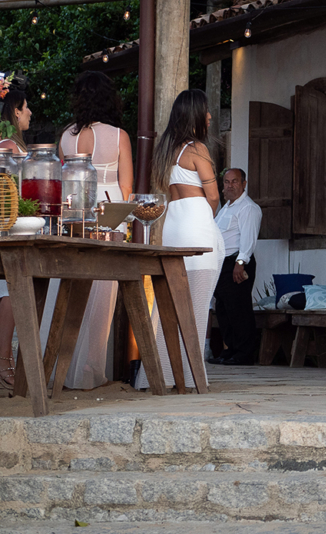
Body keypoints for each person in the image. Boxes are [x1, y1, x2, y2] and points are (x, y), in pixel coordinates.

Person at [40, 73, 134, 390]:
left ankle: (57, 367)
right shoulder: (118, 135)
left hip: (75, 214)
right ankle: (90, 371)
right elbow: (127, 187)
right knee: (102, 296)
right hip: (109, 214)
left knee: (67, 290)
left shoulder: (66, 137)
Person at [136, 90, 225, 391]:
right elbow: (213, 197)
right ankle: (189, 378)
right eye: (206, 111)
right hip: (197, 224)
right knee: (197, 306)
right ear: (195, 115)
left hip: (173, 224)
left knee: (168, 307)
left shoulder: (166, 150)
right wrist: (205, 214)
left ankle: (158, 375)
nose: (210, 116)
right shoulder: (198, 149)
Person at [210, 168, 263, 366]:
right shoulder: (226, 208)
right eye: (227, 182)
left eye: (234, 181)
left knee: (239, 309)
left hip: (238, 263)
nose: (230, 185)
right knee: (224, 309)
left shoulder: (248, 208)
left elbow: (249, 238)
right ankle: (230, 350)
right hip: (222, 264)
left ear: (244, 184)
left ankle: (244, 354)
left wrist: (240, 263)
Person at [0, 87, 29, 390]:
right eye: (27, 107)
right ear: (17, 111)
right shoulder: (8, 145)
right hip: (11, 222)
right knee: (10, 288)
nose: (31, 113)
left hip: (13, 220)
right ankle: (4, 357)